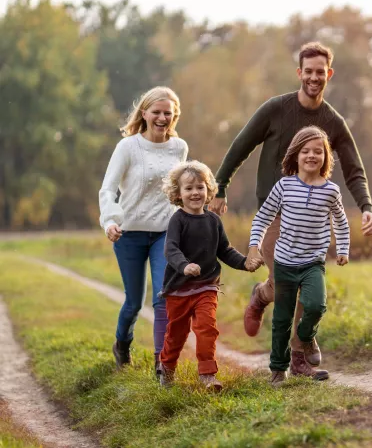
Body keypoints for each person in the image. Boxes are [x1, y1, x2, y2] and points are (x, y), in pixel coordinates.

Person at [210, 41, 372, 368]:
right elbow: (240, 146)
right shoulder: (275, 109)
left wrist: (367, 207)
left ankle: (300, 351)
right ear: (299, 73)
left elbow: (354, 169)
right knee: (283, 284)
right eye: (308, 72)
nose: (314, 78)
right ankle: (261, 295)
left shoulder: (333, 122)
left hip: (314, 217)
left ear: (329, 74)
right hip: (275, 212)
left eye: (321, 72)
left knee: (306, 281)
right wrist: (220, 186)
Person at [246, 126, 349, 387]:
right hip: (284, 263)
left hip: (313, 262)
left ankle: (306, 337)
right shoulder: (284, 186)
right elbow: (263, 218)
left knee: (316, 305)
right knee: (281, 318)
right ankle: (278, 370)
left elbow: (341, 222)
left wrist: (343, 249)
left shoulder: (331, 191)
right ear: (295, 155)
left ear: (326, 157)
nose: (311, 156)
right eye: (305, 151)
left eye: (318, 151)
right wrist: (254, 246)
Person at [98, 86, 189, 377]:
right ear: (145, 113)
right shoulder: (128, 147)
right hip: (129, 233)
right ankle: (122, 344)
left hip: (166, 232)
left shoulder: (179, 148)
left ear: (174, 116)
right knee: (134, 303)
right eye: (157, 112)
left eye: (167, 113)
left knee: (163, 296)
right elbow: (108, 189)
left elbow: (180, 189)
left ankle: (162, 364)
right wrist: (110, 221)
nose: (162, 117)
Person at [157, 160, 259, 390]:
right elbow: (170, 249)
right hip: (179, 288)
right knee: (176, 334)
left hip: (206, 286)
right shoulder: (178, 220)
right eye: (189, 188)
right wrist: (184, 266)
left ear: (209, 190)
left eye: (200, 187)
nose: (195, 193)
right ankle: (167, 367)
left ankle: (207, 375)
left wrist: (245, 263)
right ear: (178, 193)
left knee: (207, 327)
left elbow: (224, 250)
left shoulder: (213, 220)